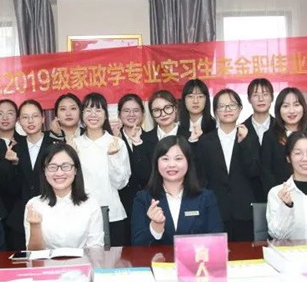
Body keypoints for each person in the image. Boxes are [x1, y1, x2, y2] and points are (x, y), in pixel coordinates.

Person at [131, 137, 224, 246]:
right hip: (157, 258)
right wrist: (155, 227)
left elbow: (217, 242)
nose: (171, 165)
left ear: (188, 161)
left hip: (196, 257)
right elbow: (137, 246)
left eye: (178, 159)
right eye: (165, 159)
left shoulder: (206, 198)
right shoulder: (143, 199)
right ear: (156, 163)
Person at [195, 89, 261, 242]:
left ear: (240, 108)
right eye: (222, 106)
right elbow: (201, 177)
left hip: (243, 211)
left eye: (232, 105)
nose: (227, 110)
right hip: (215, 209)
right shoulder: (205, 141)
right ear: (215, 111)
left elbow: (254, 171)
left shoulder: (250, 138)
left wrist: (244, 143)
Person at [73, 93, 131, 246]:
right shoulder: (74, 145)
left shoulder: (117, 143)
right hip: (82, 214)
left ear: (105, 115)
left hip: (113, 214)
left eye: (98, 110)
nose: (93, 114)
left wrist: (112, 157)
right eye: (88, 110)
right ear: (82, 115)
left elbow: (121, 183)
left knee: (115, 258)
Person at [24, 144, 104, 250]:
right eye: (52, 167)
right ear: (44, 171)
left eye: (65, 166)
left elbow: (96, 248)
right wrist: (35, 226)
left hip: (83, 260)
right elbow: (34, 254)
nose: (59, 173)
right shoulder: (34, 205)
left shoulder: (91, 204)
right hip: (47, 261)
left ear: (75, 170)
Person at [5, 100, 55, 251]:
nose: (30, 121)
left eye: (35, 116)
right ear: (19, 121)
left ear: (43, 118)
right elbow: (9, 187)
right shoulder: (14, 148)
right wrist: (14, 164)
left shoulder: (55, 145)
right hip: (21, 217)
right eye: (25, 117)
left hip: (51, 212)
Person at [115, 94, 154, 243]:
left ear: (143, 114)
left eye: (136, 110)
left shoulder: (152, 139)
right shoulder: (113, 140)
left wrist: (138, 145)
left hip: (148, 203)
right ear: (119, 114)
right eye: (126, 111)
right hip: (122, 204)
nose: (131, 114)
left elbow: (149, 173)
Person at [259, 87, 307, 195]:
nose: (291, 111)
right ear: (279, 110)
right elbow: (266, 172)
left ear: (303, 107)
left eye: (296, 105)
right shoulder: (270, 136)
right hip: (280, 195)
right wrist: (277, 195)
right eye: (286, 106)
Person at [178, 79, 216, 144]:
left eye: (200, 96)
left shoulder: (215, 126)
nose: (195, 101)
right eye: (190, 96)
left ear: (206, 100)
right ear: (184, 100)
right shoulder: (177, 128)